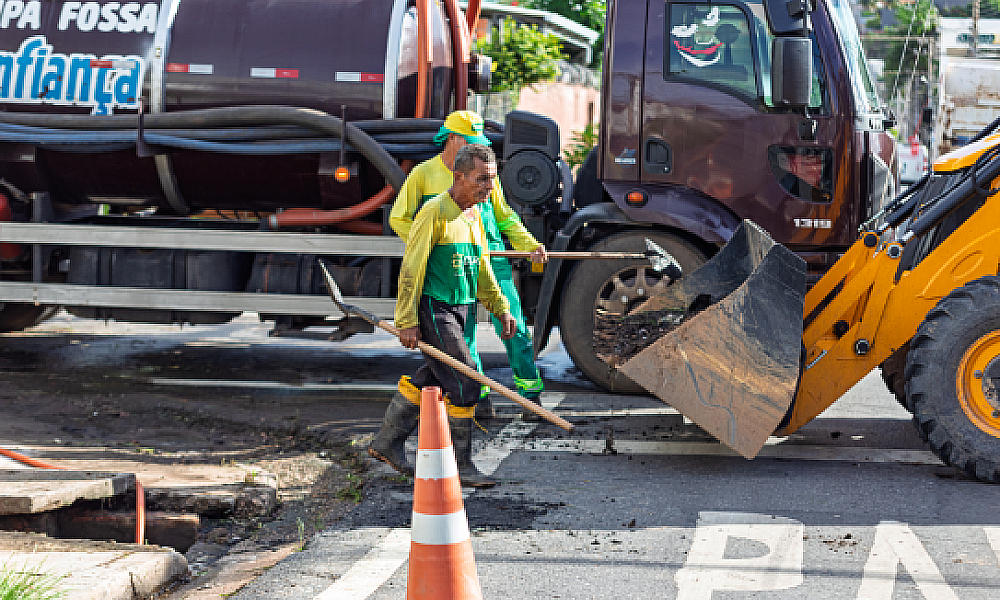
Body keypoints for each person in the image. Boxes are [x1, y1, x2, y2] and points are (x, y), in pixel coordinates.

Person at [370, 144, 517, 488]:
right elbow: (412, 268)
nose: (489, 188)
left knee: (436, 375)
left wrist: (501, 307)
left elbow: (481, 269)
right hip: (435, 307)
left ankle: (386, 442)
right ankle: (460, 465)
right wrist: (406, 320)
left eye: (492, 180)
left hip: (460, 308)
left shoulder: (475, 215)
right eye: (481, 180)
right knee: (466, 380)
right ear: (459, 176)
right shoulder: (433, 212)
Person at [389, 110, 548, 421]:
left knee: (513, 326)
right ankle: (476, 400)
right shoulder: (425, 175)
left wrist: (529, 244)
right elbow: (400, 219)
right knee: (465, 340)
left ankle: (530, 396)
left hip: (487, 264)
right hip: (451, 270)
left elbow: (504, 217)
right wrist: (431, 246)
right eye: (468, 140)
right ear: (451, 139)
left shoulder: (484, 176)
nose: (487, 185)